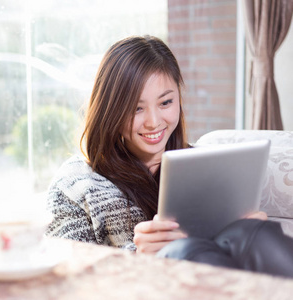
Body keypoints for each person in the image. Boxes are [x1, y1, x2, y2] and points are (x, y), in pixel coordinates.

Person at [45, 35, 293, 278]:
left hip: (230, 285)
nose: (153, 122)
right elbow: (65, 280)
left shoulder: (208, 167)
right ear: (111, 110)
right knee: (182, 251)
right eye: (136, 108)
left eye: (165, 103)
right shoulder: (75, 184)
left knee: (259, 235)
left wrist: (248, 227)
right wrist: (138, 259)